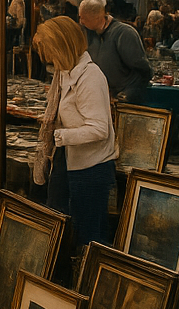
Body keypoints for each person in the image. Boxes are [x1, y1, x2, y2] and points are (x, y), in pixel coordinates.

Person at [31, 16, 117, 255]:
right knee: (56, 220)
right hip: (67, 159)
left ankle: (84, 282)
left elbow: (100, 129)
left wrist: (61, 135)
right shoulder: (64, 72)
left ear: (61, 45)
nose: (46, 57)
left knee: (87, 235)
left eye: (47, 50)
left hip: (91, 168)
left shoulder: (90, 77)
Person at [79, 0, 152, 103]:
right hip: (101, 97)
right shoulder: (90, 34)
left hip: (122, 101)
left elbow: (144, 71)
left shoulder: (124, 33)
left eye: (84, 18)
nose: (81, 22)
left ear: (97, 17)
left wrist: (125, 95)